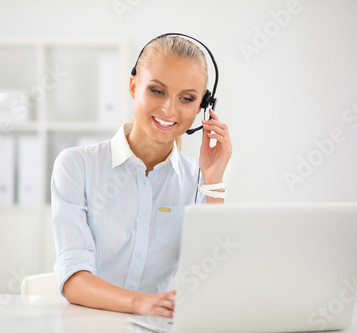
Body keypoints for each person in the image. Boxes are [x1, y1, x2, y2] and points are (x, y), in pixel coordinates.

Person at [51, 34, 232, 318]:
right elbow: (74, 279)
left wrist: (213, 182)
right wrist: (141, 303)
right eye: (157, 91)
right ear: (133, 85)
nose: (169, 109)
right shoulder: (76, 166)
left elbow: (213, 276)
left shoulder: (197, 180)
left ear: (202, 108)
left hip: (155, 324)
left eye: (186, 98)